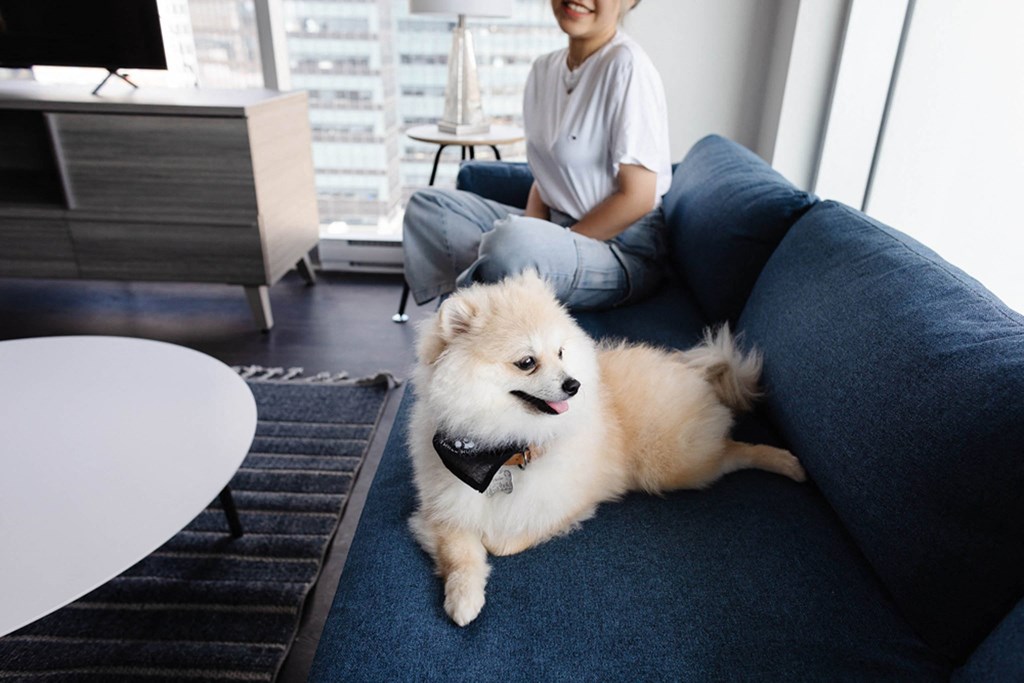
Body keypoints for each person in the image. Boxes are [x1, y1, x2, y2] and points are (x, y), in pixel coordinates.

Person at [402, 0, 671, 310]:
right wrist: (535, 232)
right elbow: (547, 177)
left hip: (622, 247)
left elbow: (638, 198)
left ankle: (483, 297)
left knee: (512, 244)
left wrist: (549, 240)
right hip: (556, 229)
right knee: (428, 207)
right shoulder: (544, 69)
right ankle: (497, 280)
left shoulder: (627, 65)